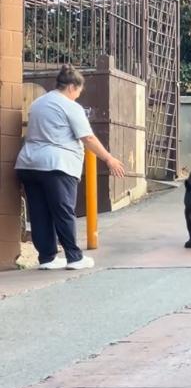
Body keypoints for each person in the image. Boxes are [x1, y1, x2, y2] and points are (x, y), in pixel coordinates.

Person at [16, 64, 125, 270]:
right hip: (57, 165)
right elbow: (88, 138)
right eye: (78, 92)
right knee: (63, 211)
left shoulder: (38, 104)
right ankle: (74, 257)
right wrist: (109, 159)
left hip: (29, 164)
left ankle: (47, 258)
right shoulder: (70, 106)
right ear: (72, 87)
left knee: (39, 213)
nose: (77, 96)